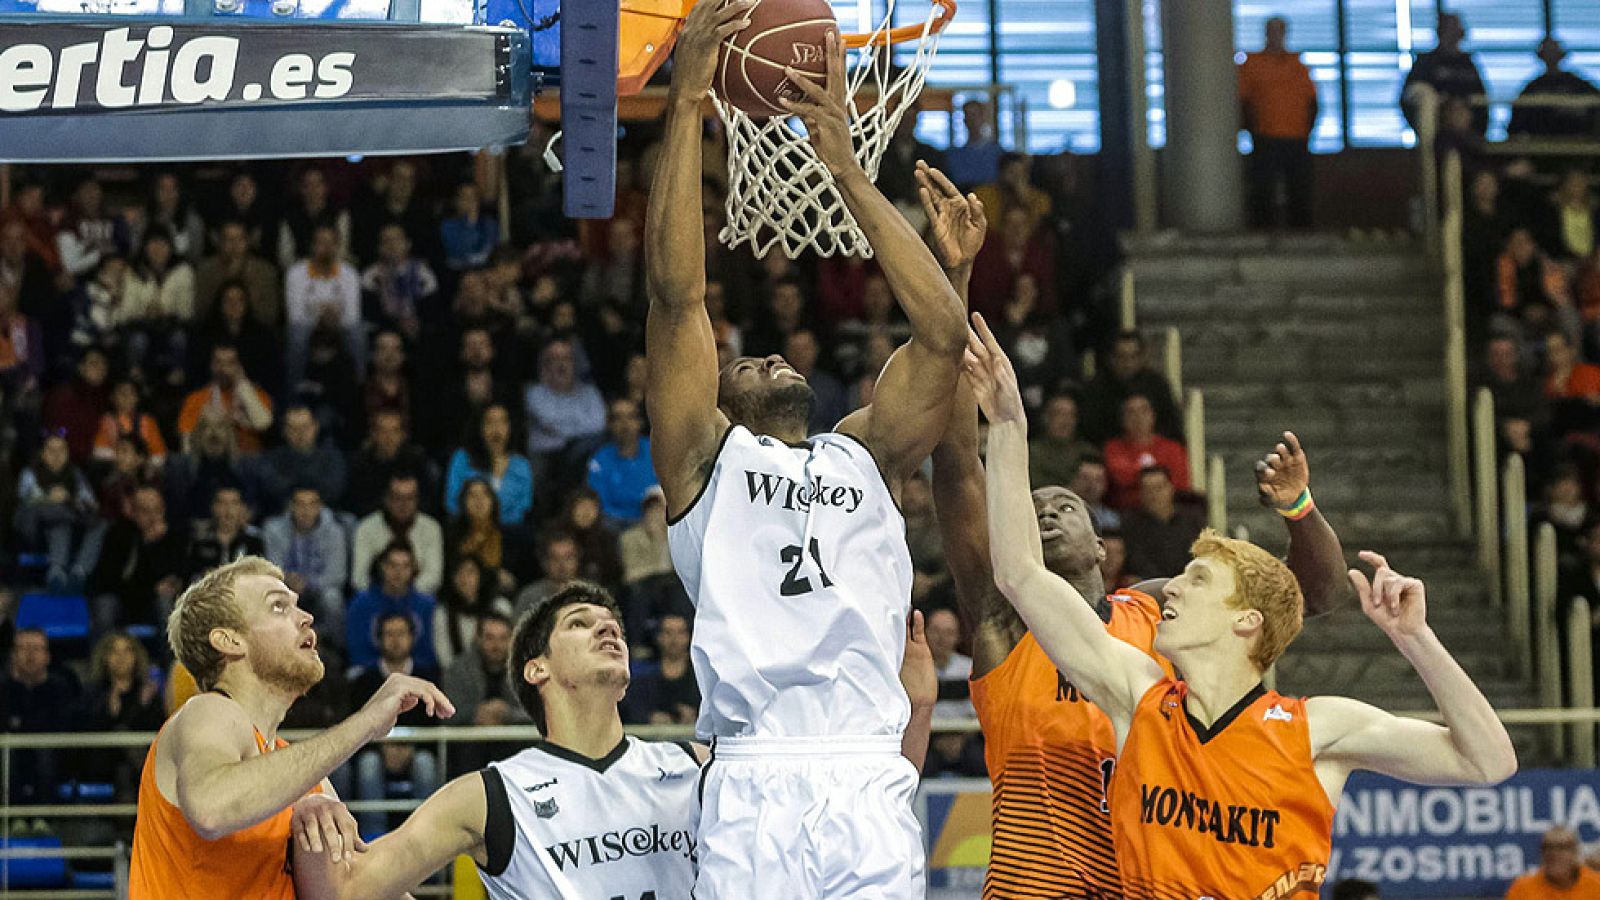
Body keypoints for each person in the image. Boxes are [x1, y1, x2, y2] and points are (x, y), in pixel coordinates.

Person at [965, 313, 1517, 898]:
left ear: (1245, 619)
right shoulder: (1140, 700)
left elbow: (1489, 762)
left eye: (1196, 580)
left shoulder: (1315, 729)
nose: (1169, 589)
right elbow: (1020, 573)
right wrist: (1006, 423)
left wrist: (1416, 639)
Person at [646, 7, 966, 893]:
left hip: (867, 765)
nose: (767, 356)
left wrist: (847, 170)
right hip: (755, 768)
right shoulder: (703, 465)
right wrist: (686, 102)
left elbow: (943, 336)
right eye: (743, 362)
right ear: (720, 399)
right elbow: (677, 299)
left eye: (773, 353)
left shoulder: (864, 453)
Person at [292, 579, 938, 898]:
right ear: (535, 669)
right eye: (581, 623)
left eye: (614, 625)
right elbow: (350, 889)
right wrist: (311, 808)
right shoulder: (492, 795)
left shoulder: (696, 766)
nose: (609, 631)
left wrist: (918, 709)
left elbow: (857, 811)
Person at [127, 556, 453, 899]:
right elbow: (211, 807)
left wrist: (460, 827)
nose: (307, 617)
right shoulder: (207, 711)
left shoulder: (298, 775)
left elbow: (358, 889)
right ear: (230, 640)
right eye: (279, 607)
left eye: (297, 605)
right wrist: (367, 720)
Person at [346, 612, 442, 836]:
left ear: (412, 637)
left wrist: (410, 748)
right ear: (379, 639)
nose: (396, 640)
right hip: (375, 751)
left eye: (401, 633)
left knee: (425, 764)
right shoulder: (364, 681)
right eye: (389, 634)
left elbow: (436, 725)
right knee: (368, 765)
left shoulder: (428, 677)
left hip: (418, 751)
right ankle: (372, 841)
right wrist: (382, 747)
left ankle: (425, 837)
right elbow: (354, 727)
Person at [1239, 16, 1318, 228]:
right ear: (1266, 33)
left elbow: (1312, 101)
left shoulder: (1298, 65)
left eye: (1279, 31)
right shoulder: (1252, 64)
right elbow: (1242, 102)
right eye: (1272, 31)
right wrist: (1252, 131)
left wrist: (1308, 130)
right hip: (1266, 136)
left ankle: (1300, 233)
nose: (1276, 36)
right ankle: (1261, 232)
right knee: (1262, 189)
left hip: (1296, 136)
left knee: (1299, 188)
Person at [262, 484, 350, 652]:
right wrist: (287, 580)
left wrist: (308, 583)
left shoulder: (335, 532)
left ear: (320, 507)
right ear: (291, 506)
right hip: (286, 587)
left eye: (312, 505)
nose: (306, 511)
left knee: (333, 598)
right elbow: (271, 568)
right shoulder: (273, 529)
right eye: (300, 504)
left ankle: (333, 648)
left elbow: (337, 575)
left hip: (318, 591)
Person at [2, 629, 79, 804]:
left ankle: (44, 817)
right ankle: (14, 816)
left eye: (36, 648)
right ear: (13, 655)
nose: (30, 655)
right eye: (23, 648)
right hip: (11, 757)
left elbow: (64, 728)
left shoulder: (62, 688)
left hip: (55, 759)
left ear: (47, 656)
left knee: (45, 751)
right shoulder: (3, 689)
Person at [346, 543, 439, 671]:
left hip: (417, 673)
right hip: (370, 674)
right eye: (392, 565)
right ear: (382, 567)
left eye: (405, 566)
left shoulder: (427, 605)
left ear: (413, 569)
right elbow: (357, 652)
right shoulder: (360, 604)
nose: (398, 572)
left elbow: (429, 652)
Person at [352, 473, 445, 596]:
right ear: (387, 499)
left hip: (417, 599)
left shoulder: (431, 528)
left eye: (409, 498)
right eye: (398, 498)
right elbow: (359, 577)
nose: (404, 504)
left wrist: (404, 594)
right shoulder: (366, 528)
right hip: (376, 598)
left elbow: (434, 576)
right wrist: (385, 593)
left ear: (417, 500)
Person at [445, 402, 534, 528]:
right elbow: (451, 503)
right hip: (467, 530)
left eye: (503, 422)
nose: (496, 429)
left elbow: (523, 508)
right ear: (479, 427)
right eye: (490, 422)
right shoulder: (462, 458)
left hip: (508, 533)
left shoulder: (521, 464)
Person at [177, 343, 274, 455]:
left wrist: (243, 386)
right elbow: (186, 442)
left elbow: (263, 424)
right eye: (218, 362)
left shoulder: (257, 395)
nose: (223, 368)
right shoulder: (195, 399)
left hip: (249, 463)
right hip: (211, 462)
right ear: (211, 365)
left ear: (239, 366)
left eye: (230, 363)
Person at [1402, 13, 1488, 136]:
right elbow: (1410, 95)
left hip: (1465, 130)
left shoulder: (1467, 65)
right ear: (1440, 33)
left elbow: (1480, 99)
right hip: (1437, 126)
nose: (1452, 35)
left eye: (1455, 30)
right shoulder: (1426, 62)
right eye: (1449, 30)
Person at [1103, 393, 1191, 509]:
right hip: (1127, 512)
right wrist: (1158, 478)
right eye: (1131, 412)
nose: (1138, 417)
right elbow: (1120, 477)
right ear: (1122, 419)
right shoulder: (1113, 448)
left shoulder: (1172, 448)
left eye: (1143, 411)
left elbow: (1180, 484)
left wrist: (1135, 475)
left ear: (1153, 416)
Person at [262, 404, 348, 516]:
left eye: (305, 427)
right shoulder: (273, 459)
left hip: (326, 514)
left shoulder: (332, 456)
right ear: (284, 431)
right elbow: (274, 491)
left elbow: (335, 490)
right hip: (285, 516)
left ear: (315, 427)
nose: (301, 433)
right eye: (293, 428)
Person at [1122, 465, 1205, 580]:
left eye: (1159, 488)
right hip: (1151, 585)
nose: (1154, 495)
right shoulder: (1130, 525)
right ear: (1140, 493)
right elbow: (1136, 562)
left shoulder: (1192, 520)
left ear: (1171, 488)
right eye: (1147, 489)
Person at [586, 397, 658, 526]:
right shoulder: (600, 460)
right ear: (610, 424)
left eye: (631, 417)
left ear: (640, 422)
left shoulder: (657, 451)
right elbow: (598, 503)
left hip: (654, 521)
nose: (625, 424)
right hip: (614, 524)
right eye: (618, 418)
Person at [1509, 38, 1600, 140]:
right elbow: (1518, 119)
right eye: (1548, 52)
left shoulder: (1578, 84)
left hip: (1578, 142)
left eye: (1553, 51)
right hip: (1543, 145)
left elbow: (1595, 104)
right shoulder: (1534, 87)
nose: (1551, 55)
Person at [622, 611, 700, 725]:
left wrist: (697, 717)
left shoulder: (701, 677)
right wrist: (648, 718)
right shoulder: (643, 675)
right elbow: (631, 709)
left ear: (689, 637)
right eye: (668, 632)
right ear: (659, 637)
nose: (674, 639)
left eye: (680, 632)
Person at [1505, 826, 1600, 899]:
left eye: (1562, 847)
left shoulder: (1596, 885)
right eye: (1547, 847)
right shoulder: (1522, 889)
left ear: (1575, 852)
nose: (1554, 854)